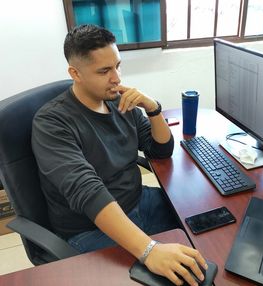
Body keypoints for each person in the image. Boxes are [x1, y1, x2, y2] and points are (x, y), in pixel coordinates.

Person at [31, 24, 206, 286]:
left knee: (206, 225)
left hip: (138, 200)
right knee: (167, 278)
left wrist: (153, 108)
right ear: (75, 73)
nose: (116, 78)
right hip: (90, 227)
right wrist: (149, 250)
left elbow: (160, 149)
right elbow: (88, 192)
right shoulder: (52, 123)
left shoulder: (118, 100)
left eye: (117, 66)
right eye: (104, 71)